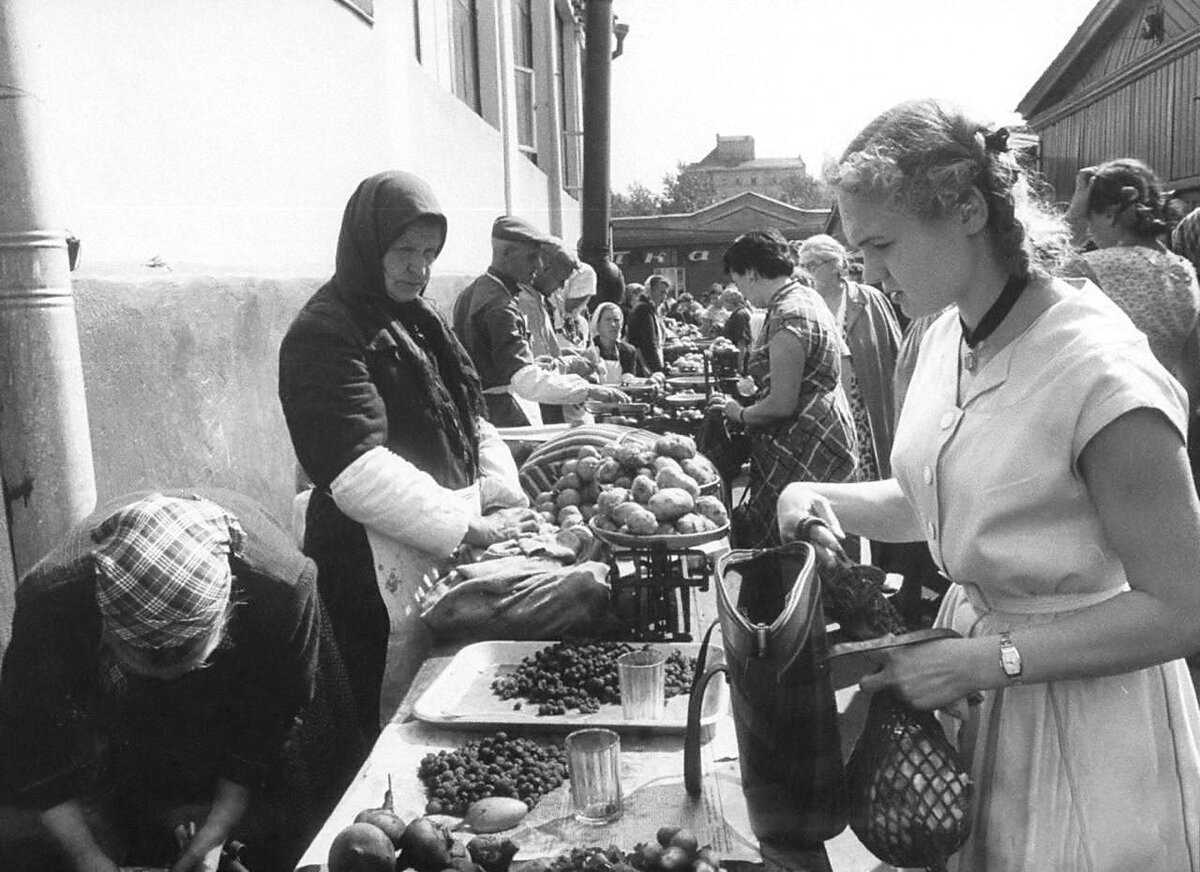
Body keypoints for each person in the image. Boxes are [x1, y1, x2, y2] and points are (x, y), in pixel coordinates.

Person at [778, 98, 1200, 871]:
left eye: (881, 245)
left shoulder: (1099, 372)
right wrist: (821, 497)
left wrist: (983, 662)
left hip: (1090, 717)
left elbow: (1183, 609)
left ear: (969, 210)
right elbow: (942, 502)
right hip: (976, 687)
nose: (868, 273)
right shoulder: (944, 333)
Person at [279, 172, 543, 737]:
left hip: (443, 550)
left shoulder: (423, 320)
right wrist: (467, 525)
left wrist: (501, 497)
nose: (417, 267)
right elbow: (354, 468)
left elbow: (471, 419)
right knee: (383, 720)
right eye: (402, 251)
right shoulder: (325, 331)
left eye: (429, 253)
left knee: (442, 703)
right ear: (367, 244)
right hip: (367, 571)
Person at [0, 489, 363, 872]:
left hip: (253, 632)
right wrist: (87, 857)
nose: (168, 679)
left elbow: (271, 719)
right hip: (103, 646)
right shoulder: (50, 602)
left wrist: (218, 829)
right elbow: (33, 739)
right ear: (107, 631)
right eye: (145, 665)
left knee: (293, 793)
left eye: (185, 663)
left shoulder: (282, 588)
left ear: (225, 621)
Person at [717, 230, 858, 550]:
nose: (741, 292)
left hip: (805, 444)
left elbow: (782, 403)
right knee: (827, 542)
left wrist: (739, 413)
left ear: (751, 274)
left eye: (739, 282)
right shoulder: (806, 296)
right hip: (826, 432)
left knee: (807, 549)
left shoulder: (788, 313)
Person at [452, 215, 626, 427]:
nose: (539, 265)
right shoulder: (500, 305)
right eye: (531, 257)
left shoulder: (475, 291)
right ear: (507, 254)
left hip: (486, 409)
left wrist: (540, 363)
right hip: (504, 413)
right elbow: (523, 379)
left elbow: (494, 359)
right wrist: (587, 390)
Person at [1060, 159, 1200, 402]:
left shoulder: (1088, 268)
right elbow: (1192, 373)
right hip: (1164, 409)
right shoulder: (1184, 271)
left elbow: (1026, 275)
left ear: (1109, 212)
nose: (1090, 232)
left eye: (1089, 220)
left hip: (1104, 408)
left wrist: (1073, 217)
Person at [796, 234, 901, 484]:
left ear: (836, 265)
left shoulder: (868, 298)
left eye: (813, 265)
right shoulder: (807, 304)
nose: (807, 272)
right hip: (827, 405)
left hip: (866, 400)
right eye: (804, 266)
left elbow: (896, 348)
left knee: (871, 467)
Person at [517, 238, 596, 425]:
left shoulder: (539, 301)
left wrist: (567, 354)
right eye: (561, 280)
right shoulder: (525, 303)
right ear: (545, 268)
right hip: (537, 403)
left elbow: (547, 352)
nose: (561, 288)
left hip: (549, 398)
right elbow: (535, 369)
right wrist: (571, 364)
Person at [589, 301, 648, 384]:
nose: (613, 324)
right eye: (608, 320)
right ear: (597, 324)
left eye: (616, 320)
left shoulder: (628, 351)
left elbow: (630, 379)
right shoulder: (590, 350)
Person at [627, 274, 672, 373]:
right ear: (650, 291)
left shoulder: (651, 310)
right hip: (645, 367)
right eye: (661, 292)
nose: (664, 297)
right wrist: (657, 370)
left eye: (666, 293)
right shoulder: (643, 310)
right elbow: (648, 344)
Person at [720, 286, 754, 372]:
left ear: (729, 301)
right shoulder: (737, 314)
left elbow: (741, 341)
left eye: (724, 302)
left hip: (738, 359)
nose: (723, 305)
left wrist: (740, 365)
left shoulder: (740, 315)